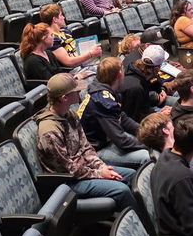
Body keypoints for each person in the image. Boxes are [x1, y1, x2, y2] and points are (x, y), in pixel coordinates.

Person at [34, 74, 136, 210]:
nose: (79, 92)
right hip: (69, 181)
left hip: (86, 169)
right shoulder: (49, 131)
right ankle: (138, 225)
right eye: (75, 91)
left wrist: (101, 167)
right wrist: (100, 174)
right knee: (122, 190)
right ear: (64, 98)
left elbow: (85, 146)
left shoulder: (70, 115)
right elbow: (68, 168)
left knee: (132, 175)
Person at [79, 57, 150, 168]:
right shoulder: (102, 101)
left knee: (144, 138)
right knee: (147, 156)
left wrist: (146, 132)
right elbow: (121, 141)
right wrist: (150, 144)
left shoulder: (103, 89)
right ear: (119, 74)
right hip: (95, 149)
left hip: (107, 138)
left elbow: (123, 118)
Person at [38, 3, 101, 71]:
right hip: (73, 71)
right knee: (105, 71)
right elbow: (68, 62)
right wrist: (90, 54)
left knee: (107, 66)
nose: (64, 17)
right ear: (55, 19)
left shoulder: (65, 32)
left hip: (82, 64)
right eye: (61, 15)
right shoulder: (53, 38)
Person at [119, 43, 171, 121]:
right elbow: (134, 118)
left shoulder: (134, 68)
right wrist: (159, 114)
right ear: (157, 68)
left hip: (144, 109)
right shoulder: (136, 88)